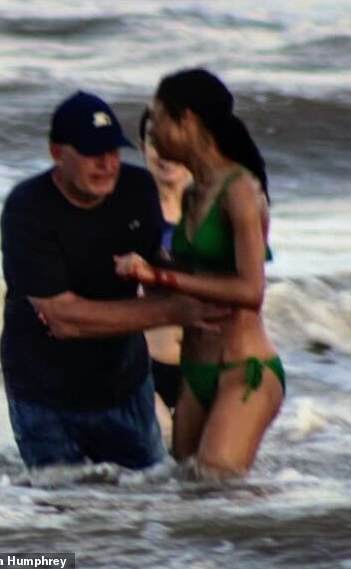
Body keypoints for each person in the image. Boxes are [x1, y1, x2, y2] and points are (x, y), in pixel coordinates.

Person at [0, 90, 228, 470]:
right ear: (58, 153)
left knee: (146, 502)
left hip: (125, 386)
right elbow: (63, 318)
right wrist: (170, 310)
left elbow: (161, 273)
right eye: (93, 153)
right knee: (64, 510)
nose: (107, 164)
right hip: (43, 394)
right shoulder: (28, 209)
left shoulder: (137, 190)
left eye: (113, 151)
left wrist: (197, 281)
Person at [115, 68, 285, 479]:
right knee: (189, 500)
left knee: (218, 484)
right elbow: (194, 272)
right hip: (196, 371)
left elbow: (250, 289)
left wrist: (161, 279)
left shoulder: (241, 190)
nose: (152, 133)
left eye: (158, 120)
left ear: (187, 121)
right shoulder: (195, 193)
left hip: (243, 370)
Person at [138, 106, 192, 429]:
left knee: (205, 474)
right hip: (146, 368)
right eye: (154, 141)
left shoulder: (216, 212)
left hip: (205, 367)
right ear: (143, 147)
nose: (165, 152)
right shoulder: (129, 211)